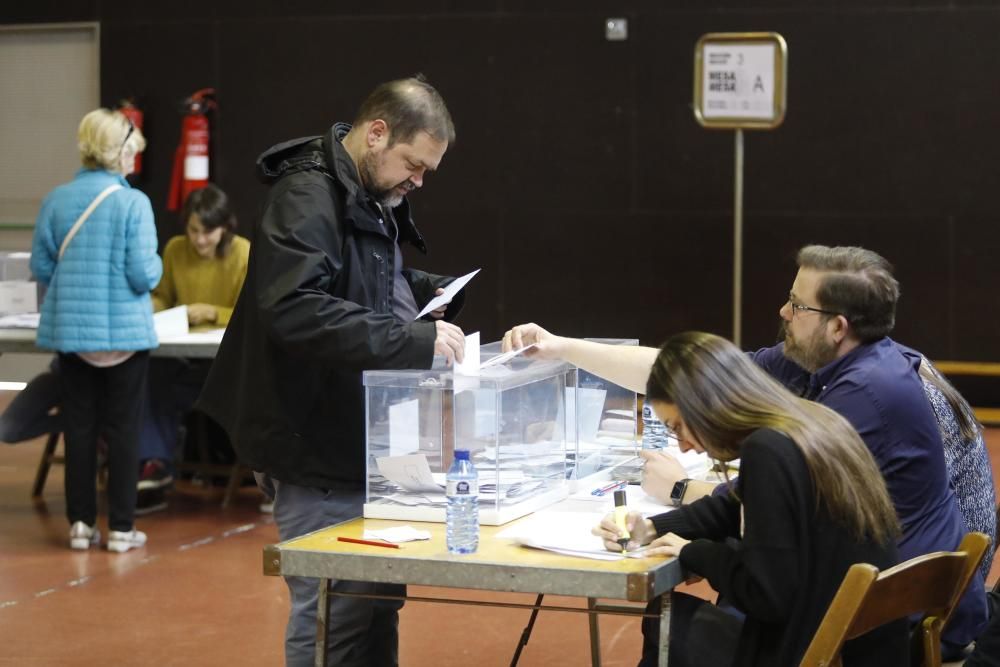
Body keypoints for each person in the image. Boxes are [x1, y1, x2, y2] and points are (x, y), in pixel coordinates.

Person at [503, 244, 989, 658]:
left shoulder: (862, 399)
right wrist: (563, 347)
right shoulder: (828, 365)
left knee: (681, 624)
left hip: (869, 625)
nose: (783, 312)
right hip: (866, 606)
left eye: (797, 306)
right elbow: (693, 377)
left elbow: (768, 572)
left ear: (837, 326)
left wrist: (691, 538)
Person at [195, 75, 467, 666]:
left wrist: (421, 289)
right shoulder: (307, 195)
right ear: (376, 134)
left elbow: (361, 287)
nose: (417, 181)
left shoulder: (371, 195)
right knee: (334, 611)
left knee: (373, 602)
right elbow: (295, 308)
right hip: (311, 443)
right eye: (413, 165)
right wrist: (411, 339)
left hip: (359, 440)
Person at [594, 332, 906, 666]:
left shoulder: (767, 450)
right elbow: (735, 506)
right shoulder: (815, 422)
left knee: (667, 619)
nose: (683, 445)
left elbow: (765, 594)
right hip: (861, 648)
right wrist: (654, 527)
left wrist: (693, 552)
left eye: (679, 427)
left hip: (812, 652)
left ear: (706, 406)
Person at [30, 108, 162, 552]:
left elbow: (42, 266)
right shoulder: (133, 204)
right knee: (125, 431)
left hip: (72, 336)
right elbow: (143, 275)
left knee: (79, 428)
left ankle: (80, 525)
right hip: (124, 337)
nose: (133, 161)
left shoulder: (56, 199)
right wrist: (157, 266)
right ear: (118, 151)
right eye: (131, 152)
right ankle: (122, 528)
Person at [135, 184, 249, 511]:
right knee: (151, 375)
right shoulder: (174, 249)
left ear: (225, 227)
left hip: (224, 364)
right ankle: (153, 465)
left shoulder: (242, 253)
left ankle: (155, 463)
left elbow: (250, 313)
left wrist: (215, 313)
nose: (200, 240)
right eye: (194, 230)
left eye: (209, 232)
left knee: (163, 385)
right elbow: (163, 295)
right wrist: (153, 307)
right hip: (181, 353)